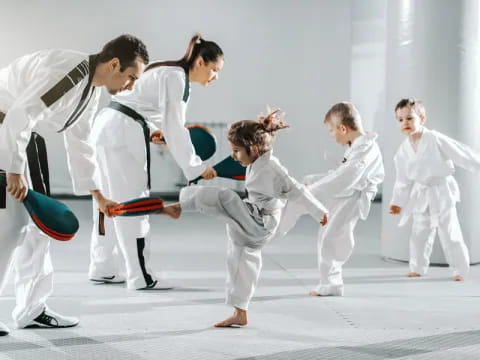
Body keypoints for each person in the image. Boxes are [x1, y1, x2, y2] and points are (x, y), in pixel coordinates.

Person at [0, 34, 149, 335]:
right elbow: (20, 115)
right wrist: (13, 169)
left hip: (21, 137)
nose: (131, 85)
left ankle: (32, 308)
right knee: (9, 225)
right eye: (131, 77)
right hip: (6, 132)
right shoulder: (70, 71)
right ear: (115, 64)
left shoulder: (91, 91)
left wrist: (98, 195)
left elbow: (80, 142)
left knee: (37, 226)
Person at [160, 109, 329, 327]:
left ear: (255, 148)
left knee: (225, 197)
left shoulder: (272, 168)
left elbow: (298, 191)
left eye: (236, 151)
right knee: (240, 262)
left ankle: (180, 206)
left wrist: (319, 212)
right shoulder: (254, 162)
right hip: (251, 219)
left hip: (261, 223)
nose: (233, 155)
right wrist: (207, 170)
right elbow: (236, 166)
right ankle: (240, 312)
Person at [88, 33, 223, 290]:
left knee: (107, 203)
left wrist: (152, 131)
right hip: (123, 131)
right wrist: (196, 168)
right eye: (215, 69)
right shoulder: (177, 78)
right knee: (133, 202)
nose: (215, 77)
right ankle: (140, 276)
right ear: (201, 62)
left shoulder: (165, 69)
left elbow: (139, 105)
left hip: (107, 126)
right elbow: (175, 127)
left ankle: (102, 267)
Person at [276, 102, 384, 296]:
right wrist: (313, 183)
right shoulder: (359, 146)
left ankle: (332, 284)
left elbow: (346, 177)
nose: (331, 135)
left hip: (352, 197)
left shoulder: (365, 148)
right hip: (347, 194)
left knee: (332, 237)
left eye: (330, 130)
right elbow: (342, 174)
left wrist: (312, 190)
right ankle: (330, 283)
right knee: (327, 233)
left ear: (343, 128)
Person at [390, 98, 480, 281]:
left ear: (422, 118)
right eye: (400, 120)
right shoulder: (402, 150)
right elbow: (402, 180)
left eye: (409, 118)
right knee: (419, 232)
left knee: (450, 231)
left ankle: (459, 270)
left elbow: (460, 153)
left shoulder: (434, 138)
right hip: (421, 193)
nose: (405, 122)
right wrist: (397, 202)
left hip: (441, 191)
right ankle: (417, 267)